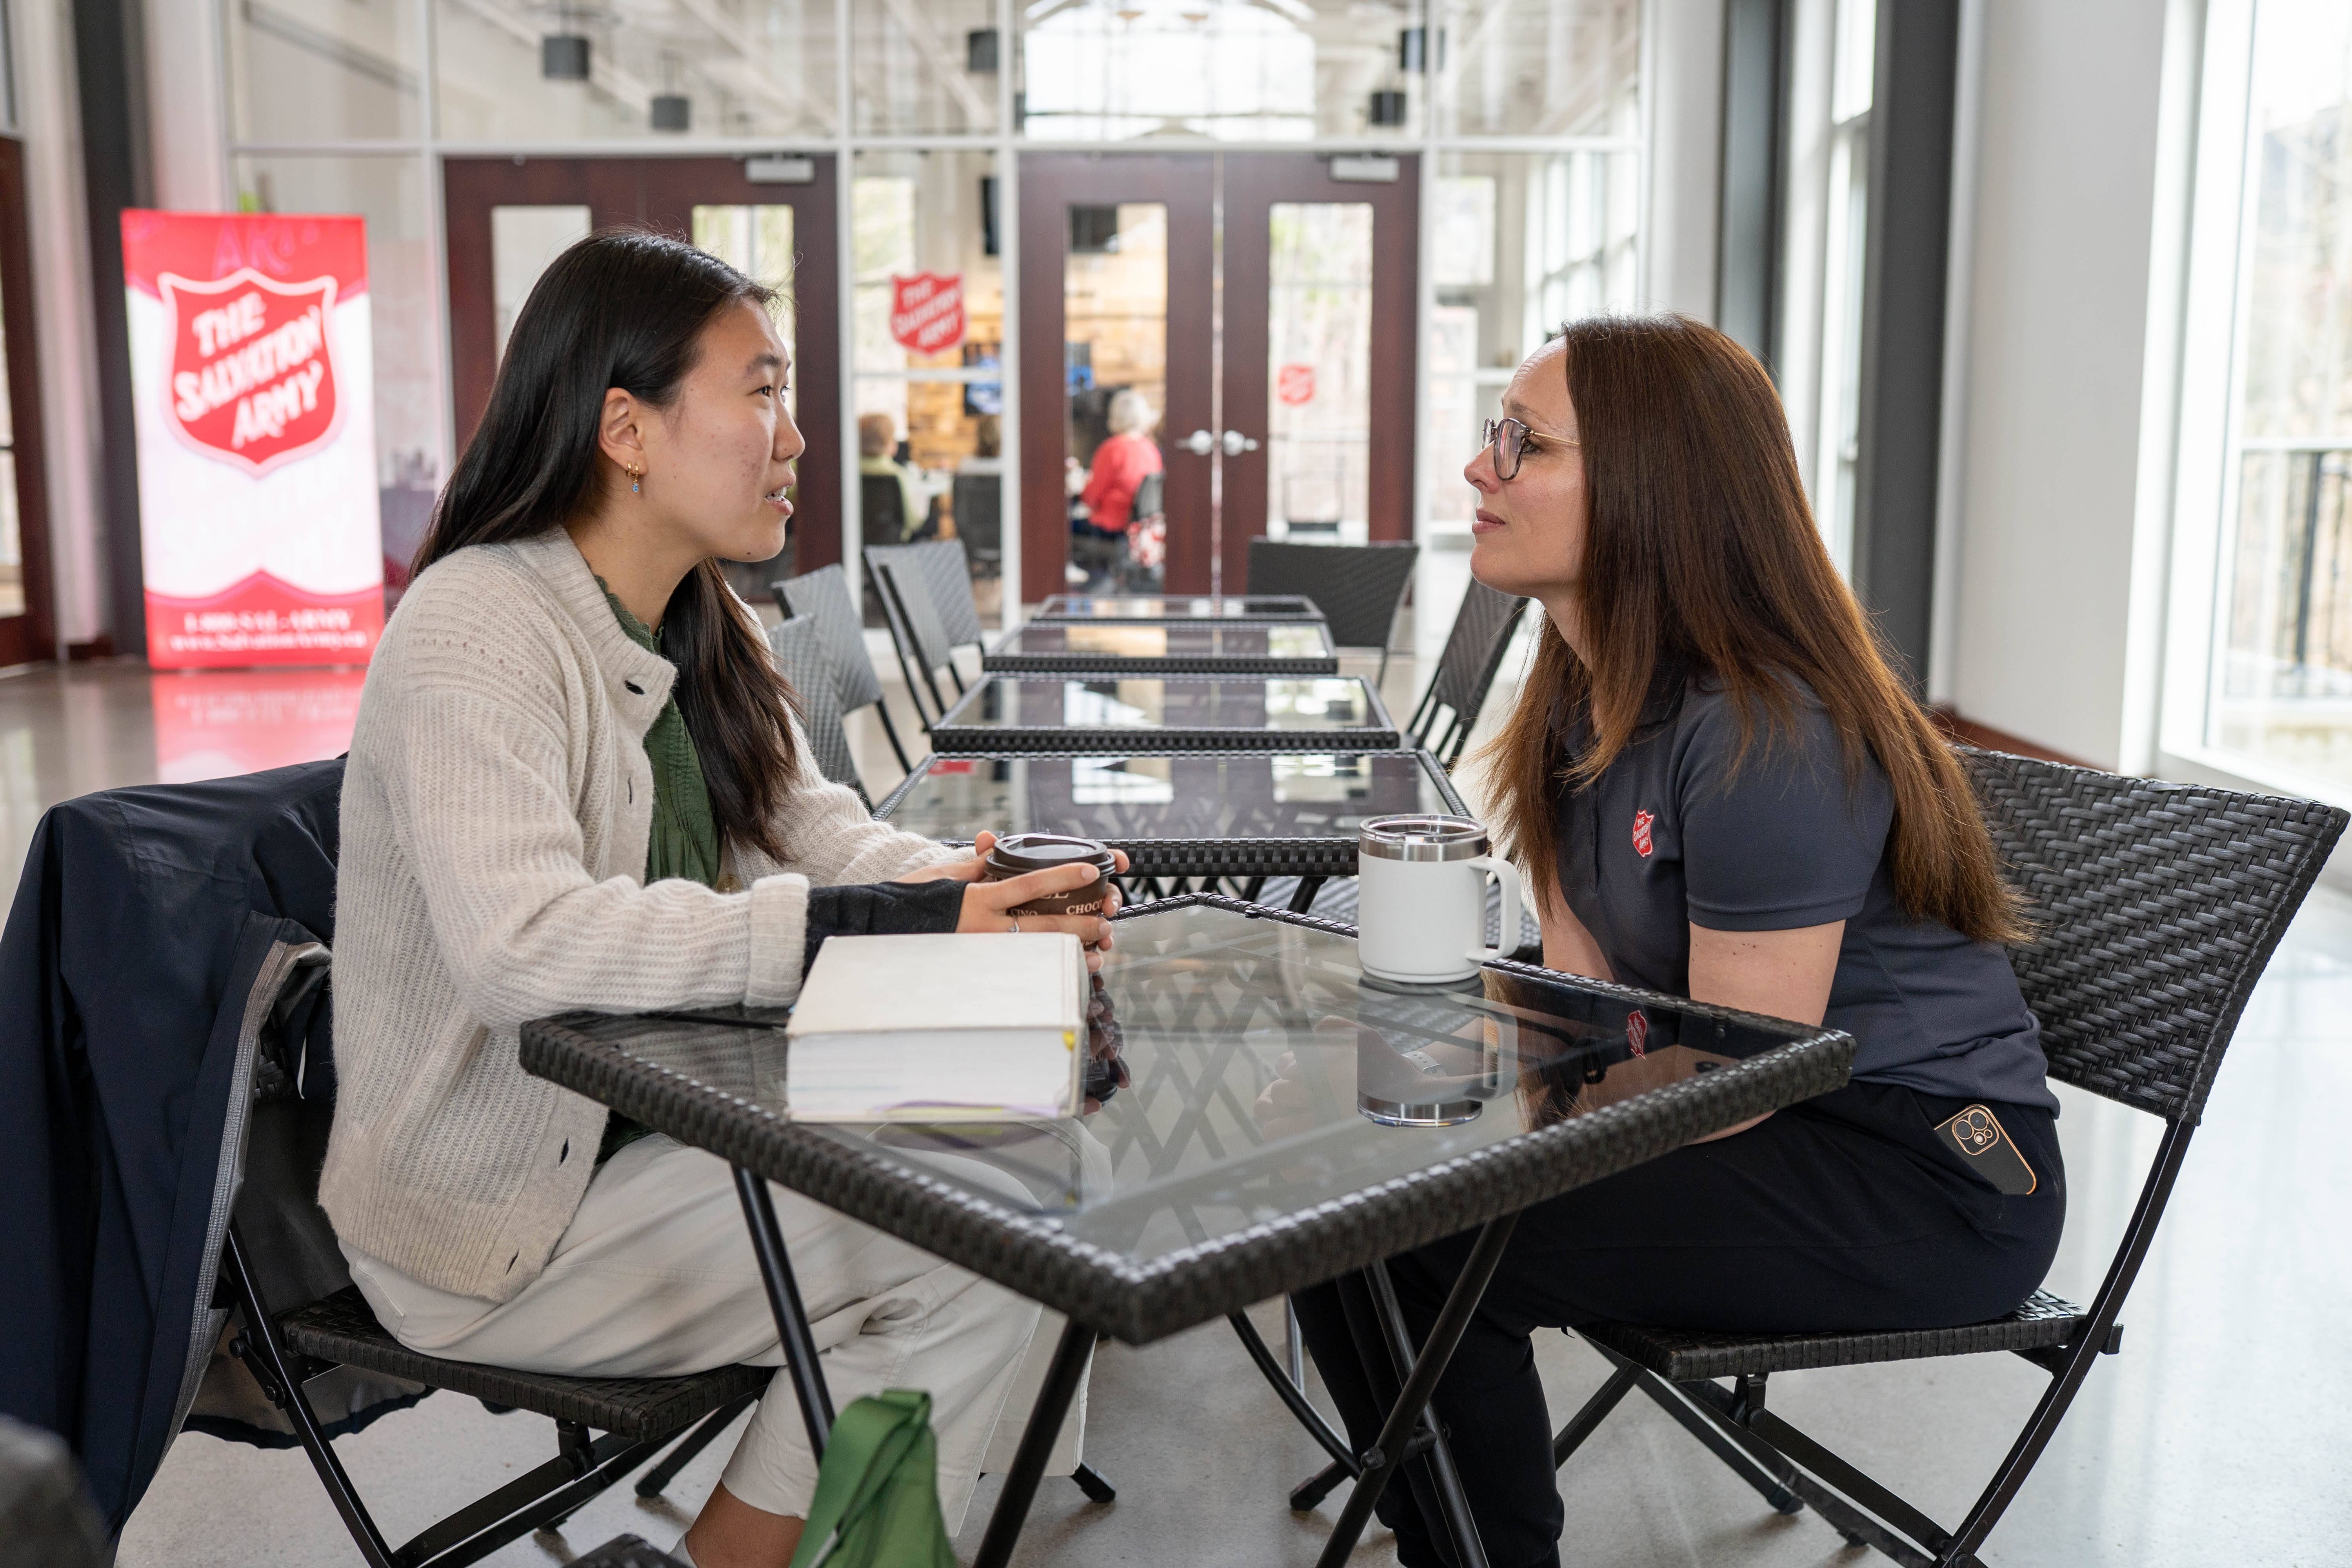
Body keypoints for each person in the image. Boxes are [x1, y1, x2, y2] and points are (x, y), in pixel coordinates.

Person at [319, 230, 1125, 1568]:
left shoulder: (708, 615)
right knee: (991, 1234)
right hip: (497, 1212)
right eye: (760, 392)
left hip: (680, 1123)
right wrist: (872, 928)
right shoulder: (475, 625)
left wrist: (964, 888)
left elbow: (804, 825)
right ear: (624, 428)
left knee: (1038, 1169)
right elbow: (525, 945)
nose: (797, 436)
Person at [1277, 314, 2065, 1568]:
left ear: (1654, 485)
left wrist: (1460, 1104)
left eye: (1521, 443)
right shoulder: (1577, 700)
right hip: (1765, 1119)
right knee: (1333, 1189)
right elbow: (1595, 1003)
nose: (1479, 469)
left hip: (1924, 1179)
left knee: (1404, 1218)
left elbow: (1738, 1067)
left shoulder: (1768, 729)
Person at [1076, 388, 1163, 534]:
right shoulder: (1152, 449)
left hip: (1110, 526)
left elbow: (1092, 496)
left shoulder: (1112, 449)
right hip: (1139, 528)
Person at [856, 411, 930, 540]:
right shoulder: (899, 475)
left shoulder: (846, 474)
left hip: (853, 544)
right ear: (889, 442)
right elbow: (914, 520)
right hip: (891, 548)